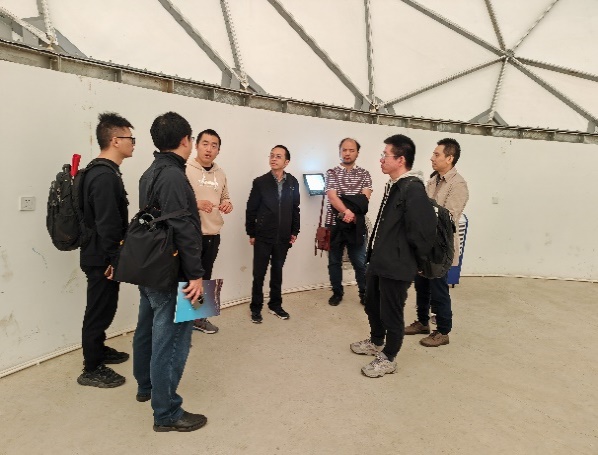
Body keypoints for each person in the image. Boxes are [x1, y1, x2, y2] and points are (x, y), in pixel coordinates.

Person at [132, 112, 207, 432]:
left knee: (147, 330)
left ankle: (146, 386)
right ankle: (166, 413)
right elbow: (184, 228)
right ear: (186, 140)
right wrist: (196, 275)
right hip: (172, 272)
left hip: (150, 267)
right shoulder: (175, 176)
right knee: (173, 341)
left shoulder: (149, 172)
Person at [350, 134, 436, 378]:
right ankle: (376, 341)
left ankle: (389, 357)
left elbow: (423, 231)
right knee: (372, 304)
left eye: (385, 155)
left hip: (397, 265)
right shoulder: (395, 185)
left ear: (400, 159)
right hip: (380, 260)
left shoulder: (413, 189)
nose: (381, 159)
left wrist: (417, 262)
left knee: (392, 312)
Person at [77, 112, 134, 389]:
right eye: (130, 138)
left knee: (104, 306)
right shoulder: (103, 176)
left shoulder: (102, 171)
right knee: (98, 310)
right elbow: (108, 223)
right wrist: (115, 258)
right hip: (101, 257)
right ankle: (91, 368)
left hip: (101, 254)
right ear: (115, 140)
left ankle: (98, 350)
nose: (133, 143)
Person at [405, 138, 469, 347]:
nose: (432, 158)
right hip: (424, 244)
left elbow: (448, 217)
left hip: (440, 248)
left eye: (436, 154)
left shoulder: (458, 185)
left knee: (439, 289)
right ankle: (423, 322)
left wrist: (425, 207)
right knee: (421, 285)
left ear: (449, 158)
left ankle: (443, 331)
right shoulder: (433, 180)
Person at [246, 145, 300, 323]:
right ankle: (256, 308)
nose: (273, 159)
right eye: (271, 156)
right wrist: (251, 232)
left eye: (278, 156)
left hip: (283, 237)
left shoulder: (293, 182)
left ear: (286, 162)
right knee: (259, 274)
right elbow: (251, 210)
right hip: (263, 236)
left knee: (277, 272)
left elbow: (295, 208)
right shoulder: (260, 182)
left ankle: (275, 305)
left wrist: (294, 230)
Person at [186, 129, 232, 334]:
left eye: (214, 145)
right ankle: (182, 325)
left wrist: (227, 204)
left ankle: (198, 319)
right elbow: (175, 201)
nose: (209, 149)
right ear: (196, 145)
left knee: (205, 277)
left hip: (213, 234)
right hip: (189, 235)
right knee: (187, 279)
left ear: (218, 150)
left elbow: (225, 197)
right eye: (205, 144)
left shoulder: (220, 173)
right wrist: (195, 204)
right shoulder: (185, 169)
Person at [325, 138, 372, 306]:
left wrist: (346, 208)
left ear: (357, 153)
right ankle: (337, 293)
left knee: (360, 262)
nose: (347, 153)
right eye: (344, 150)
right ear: (340, 152)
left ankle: (364, 293)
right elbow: (332, 196)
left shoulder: (365, 174)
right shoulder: (332, 172)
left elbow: (364, 199)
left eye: (351, 150)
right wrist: (348, 210)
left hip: (355, 225)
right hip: (334, 223)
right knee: (334, 261)